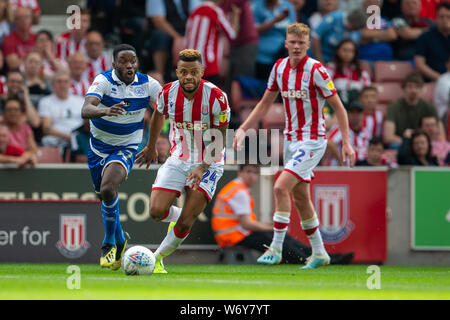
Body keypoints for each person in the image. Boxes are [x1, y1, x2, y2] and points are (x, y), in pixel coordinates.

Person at [233, 23, 356, 268]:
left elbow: (339, 108)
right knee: (301, 198)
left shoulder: (317, 70)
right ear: (286, 43)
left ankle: (276, 248)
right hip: (291, 140)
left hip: (313, 140)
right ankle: (320, 252)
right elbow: (265, 104)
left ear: (308, 45)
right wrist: (243, 128)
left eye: (302, 42)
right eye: (293, 42)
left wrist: (347, 143)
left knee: (280, 187)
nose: (297, 46)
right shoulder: (278, 68)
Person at [136, 49, 231, 273]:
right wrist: (151, 146)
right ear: (177, 72)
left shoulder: (217, 97)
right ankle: (181, 216)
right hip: (178, 159)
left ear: (202, 73)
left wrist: (202, 167)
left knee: (187, 223)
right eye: (184, 72)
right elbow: (159, 114)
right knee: (156, 212)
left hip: (209, 162)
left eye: (194, 72)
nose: (188, 77)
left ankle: (156, 259)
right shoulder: (168, 92)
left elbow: (221, 136)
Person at [82, 44, 162, 270]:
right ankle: (119, 237)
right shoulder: (103, 81)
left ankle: (109, 244)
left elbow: (166, 108)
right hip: (98, 148)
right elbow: (86, 109)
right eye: (124, 61)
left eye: (133, 61)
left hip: (128, 146)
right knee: (104, 195)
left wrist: (152, 144)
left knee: (108, 188)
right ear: (114, 64)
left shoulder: (148, 84)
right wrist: (104, 110)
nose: (129, 65)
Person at [212, 163, 354, 264]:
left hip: (235, 235)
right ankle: (308, 259)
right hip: (234, 237)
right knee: (280, 240)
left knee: (281, 237)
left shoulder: (235, 188)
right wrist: (273, 227)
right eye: (248, 171)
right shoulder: (239, 192)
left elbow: (246, 224)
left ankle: (324, 256)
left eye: (255, 172)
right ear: (240, 172)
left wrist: (273, 227)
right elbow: (247, 224)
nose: (252, 176)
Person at [145, 0, 201, 80]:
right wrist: (178, 38)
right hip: (167, 32)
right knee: (160, 36)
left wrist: (189, 36)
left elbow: (198, 15)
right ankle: (160, 76)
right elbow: (158, 21)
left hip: (188, 32)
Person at [185, 0, 238, 84]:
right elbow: (232, 34)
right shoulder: (215, 11)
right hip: (208, 64)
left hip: (189, 62)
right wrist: (236, 16)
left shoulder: (194, 12)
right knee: (211, 95)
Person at [383, 72, 440, 149]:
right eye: (410, 87)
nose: (413, 90)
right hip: (402, 143)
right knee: (395, 146)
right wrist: (410, 143)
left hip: (424, 144)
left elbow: (440, 135)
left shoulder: (429, 107)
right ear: (403, 89)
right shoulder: (393, 107)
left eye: (417, 87)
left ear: (422, 89)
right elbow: (388, 137)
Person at [38, 70, 84, 156]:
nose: (62, 85)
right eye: (59, 81)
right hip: (57, 139)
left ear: (70, 84)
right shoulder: (46, 101)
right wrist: (69, 137)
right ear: (53, 85)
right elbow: (46, 129)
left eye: (65, 82)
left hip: (79, 138)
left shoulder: (80, 101)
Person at [252, 0, 297, 80]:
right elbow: (254, 30)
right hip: (261, 58)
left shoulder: (288, 6)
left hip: (282, 57)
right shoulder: (256, 6)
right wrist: (275, 20)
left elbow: (294, 31)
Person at [325, 39, 371, 109]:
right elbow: (326, 87)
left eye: (351, 51)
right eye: (344, 50)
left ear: (355, 53)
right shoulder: (330, 68)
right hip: (335, 106)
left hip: (356, 109)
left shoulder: (361, 72)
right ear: (338, 51)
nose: (347, 54)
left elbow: (366, 92)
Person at [414, 2, 450, 82]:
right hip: (431, 80)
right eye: (441, 16)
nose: (445, 20)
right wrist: (440, 78)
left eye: (448, 17)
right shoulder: (425, 37)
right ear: (436, 18)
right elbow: (420, 64)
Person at [327, 101, 369, 166]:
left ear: (362, 115)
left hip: (360, 168)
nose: (355, 116)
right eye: (353, 113)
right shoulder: (341, 128)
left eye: (358, 113)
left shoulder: (365, 131)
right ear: (348, 114)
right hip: (340, 169)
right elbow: (329, 142)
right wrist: (341, 159)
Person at [2, 6, 36, 70]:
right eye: (19, 18)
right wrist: (34, 60)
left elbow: (43, 61)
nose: (23, 20)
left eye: (26, 17)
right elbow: (13, 64)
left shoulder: (37, 38)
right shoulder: (8, 39)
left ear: (31, 19)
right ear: (14, 21)